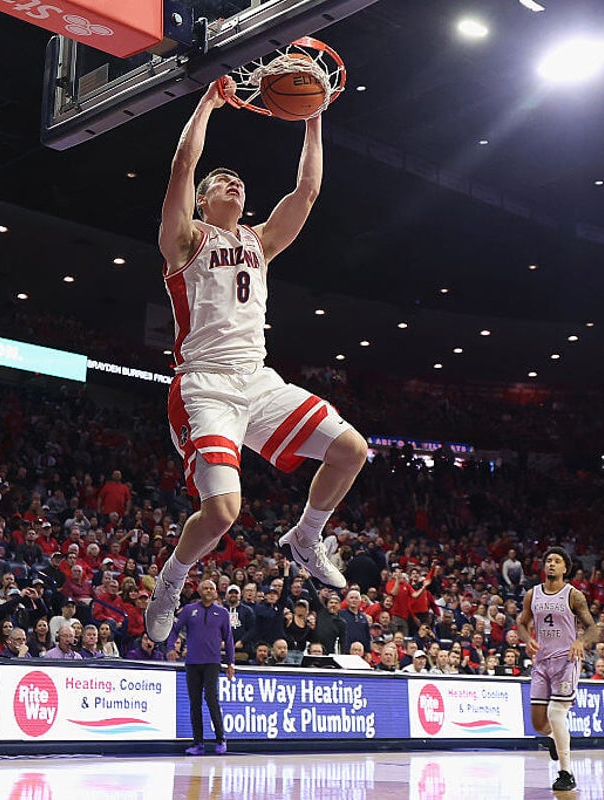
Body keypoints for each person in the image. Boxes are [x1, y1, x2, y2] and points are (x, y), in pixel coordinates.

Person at [145, 77, 368, 643]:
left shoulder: (260, 242)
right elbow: (180, 166)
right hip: (205, 385)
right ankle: (173, 578)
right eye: (222, 180)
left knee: (351, 451)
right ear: (201, 199)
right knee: (222, 513)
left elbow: (308, 190)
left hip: (258, 380)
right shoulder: (185, 239)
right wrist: (207, 104)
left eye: (239, 180)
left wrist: (314, 115)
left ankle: (306, 535)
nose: (234, 183)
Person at [515, 546, 600, 793]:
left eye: (557, 561)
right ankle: (554, 738)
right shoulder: (533, 594)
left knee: (556, 713)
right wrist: (526, 637)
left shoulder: (574, 595)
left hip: (566, 661)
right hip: (541, 662)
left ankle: (566, 773)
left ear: (565, 568)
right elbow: (521, 622)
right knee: (538, 723)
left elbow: (593, 628)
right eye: (548, 560)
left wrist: (580, 641)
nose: (551, 564)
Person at [169, 579, 234, 755]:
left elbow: (228, 639)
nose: (208, 590)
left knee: (212, 700)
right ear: (199, 590)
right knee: (194, 703)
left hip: (212, 662)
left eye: (211, 588)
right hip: (192, 662)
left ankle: (220, 739)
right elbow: (174, 629)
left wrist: (231, 662)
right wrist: (170, 648)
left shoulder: (222, 613)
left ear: (215, 592)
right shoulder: (189, 610)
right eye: (204, 587)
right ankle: (198, 743)